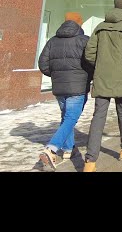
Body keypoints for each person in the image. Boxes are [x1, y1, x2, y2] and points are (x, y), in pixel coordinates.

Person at [82, 0, 122, 173]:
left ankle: (90, 162)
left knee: (98, 116)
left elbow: (89, 53)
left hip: (102, 77)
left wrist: (101, 66)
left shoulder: (100, 27)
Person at [36, 12, 93, 171]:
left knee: (66, 117)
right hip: (78, 87)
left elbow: (43, 64)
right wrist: (87, 77)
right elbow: (91, 62)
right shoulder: (84, 41)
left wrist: (57, 75)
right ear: (79, 24)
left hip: (59, 87)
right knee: (70, 119)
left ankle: (68, 149)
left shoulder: (52, 41)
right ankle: (51, 148)